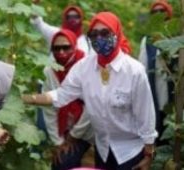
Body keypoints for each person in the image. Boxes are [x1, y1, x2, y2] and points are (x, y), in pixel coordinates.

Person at [22, 12, 157, 170]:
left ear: (117, 33)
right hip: (103, 149)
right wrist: (28, 98)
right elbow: (61, 94)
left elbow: (146, 115)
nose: (99, 38)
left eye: (105, 33)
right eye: (94, 34)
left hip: (130, 150)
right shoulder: (84, 68)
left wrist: (149, 154)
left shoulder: (134, 71)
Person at [43, 29, 93, 170]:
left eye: (66, 47)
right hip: (65, 129)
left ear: (74, 46)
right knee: (61, 162)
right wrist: (58, 142)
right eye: (56, 48)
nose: (61, 52)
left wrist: (74, 136)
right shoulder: (49, 71)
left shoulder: (86, 66)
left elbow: (91, 106)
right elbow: (49, 108)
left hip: (89, 128)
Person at [138, 0, 173, 145]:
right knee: (157, 139)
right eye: (155, 12)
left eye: (162, 11)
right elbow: (141, 71)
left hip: (175, 99)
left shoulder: (177, 38)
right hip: (155, 98)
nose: (158, 14)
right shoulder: (148, 41)